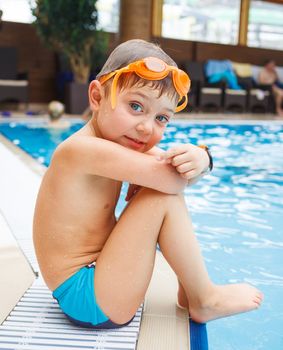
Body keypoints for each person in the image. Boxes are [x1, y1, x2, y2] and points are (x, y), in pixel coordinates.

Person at [33, 39, 263, 330]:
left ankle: (191, 289)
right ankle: (204, 297)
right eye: (136, 106)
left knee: (160, 186)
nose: (146, 127)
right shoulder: (79, 150)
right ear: (97, 96)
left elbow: (170, 167)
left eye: (161, 118)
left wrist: (199, 158)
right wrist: (204, 159)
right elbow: (171, 179)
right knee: (162, 195)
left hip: (92, 283)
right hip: (89, 296)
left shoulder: (117, 141)